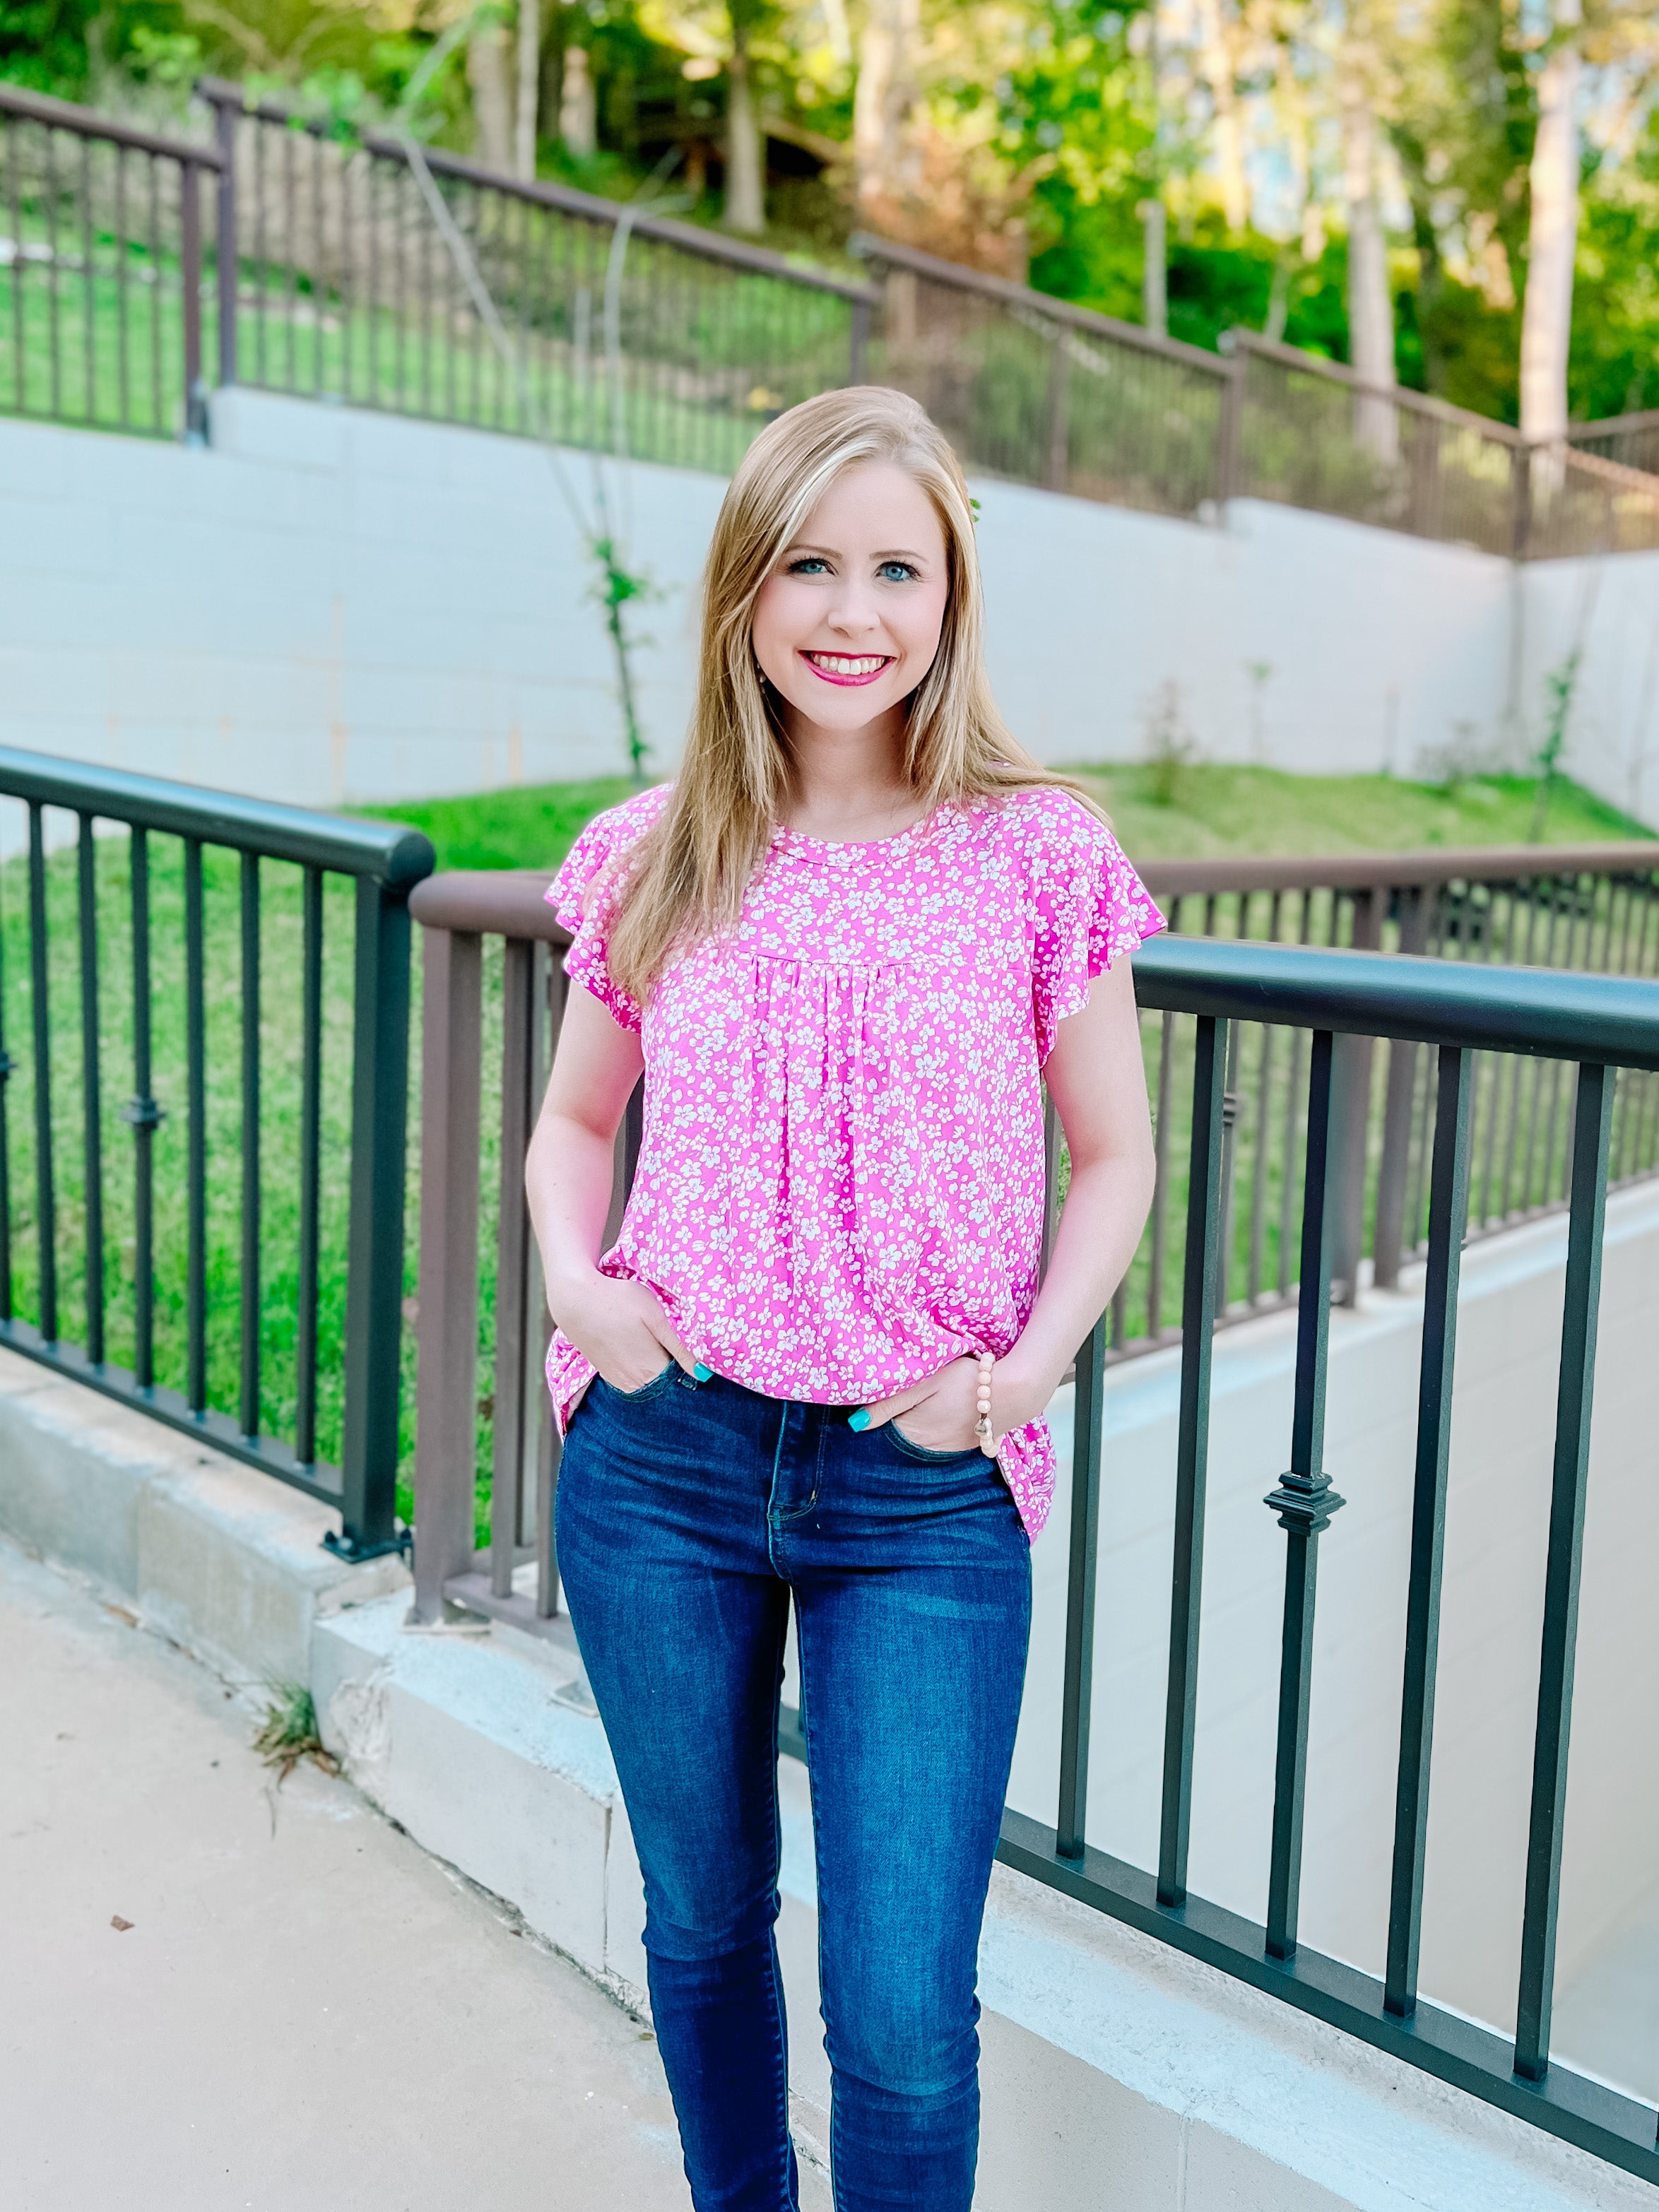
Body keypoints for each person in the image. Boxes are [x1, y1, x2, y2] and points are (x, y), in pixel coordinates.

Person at [524, 385, 1161, 2212]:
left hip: (923, 1485)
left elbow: (1110, 1154)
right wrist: (586, 1292)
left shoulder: (1034, 852)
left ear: (951, 593)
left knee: (897, 2006)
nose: (850, 607)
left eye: (895, 563)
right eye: (808, 560)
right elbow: (575, 1122)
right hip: (666, 1457)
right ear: (745, 586)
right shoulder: (657, 848)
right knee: (705, 1917)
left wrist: (1021, 1371)